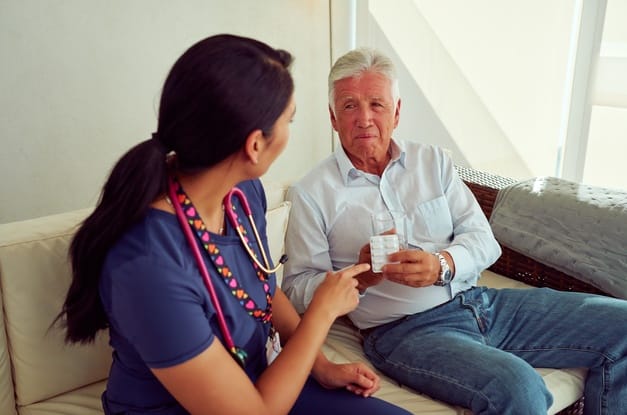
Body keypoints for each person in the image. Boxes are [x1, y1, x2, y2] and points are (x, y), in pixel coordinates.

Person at [57, 35, 412, 415]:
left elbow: (260, 284)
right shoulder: (146, 264)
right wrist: (323, 312)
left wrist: (321, 367)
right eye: (288, 120)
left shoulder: (243, 193)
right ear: (254, 145)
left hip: (260, 383)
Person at [281, 46, 627, 414]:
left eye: (377, 105)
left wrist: (442, 264)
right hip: (405, 332)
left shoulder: (433, 161)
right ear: (333, 117)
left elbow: (484, 242)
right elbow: (295, 289)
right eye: (350, 106)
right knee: (520, 388)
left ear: (397, 112)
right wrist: (358, 279)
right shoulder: (312, 193)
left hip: (482, 302)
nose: (364, 119)